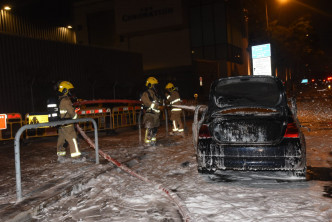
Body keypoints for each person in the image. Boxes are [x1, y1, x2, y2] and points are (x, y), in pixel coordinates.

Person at [56, 81, 82, 161]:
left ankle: (60, 155)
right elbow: (72, 114)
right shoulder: (66, 101)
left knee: (61, 139)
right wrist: (76, 116)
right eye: (70, 90)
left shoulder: (60, 99)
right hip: (67, 124)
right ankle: (76, 157)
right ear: (65, 90)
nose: (71, 93)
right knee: (72, 139)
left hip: (61, 124)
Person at [140, 77, 161, 146]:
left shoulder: (155, 94)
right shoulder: (146, 93)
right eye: (154, 85)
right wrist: (155, 105)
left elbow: (156, 103)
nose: (155, 87)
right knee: (149, 127)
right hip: (150, 113)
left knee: (155, 128)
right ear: (150, 85)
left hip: (156, 114)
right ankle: (148, 142)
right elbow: (145, 101)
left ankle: (153, 141)